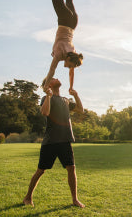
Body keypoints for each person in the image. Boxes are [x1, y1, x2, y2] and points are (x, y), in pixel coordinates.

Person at [23, 78, 85, 208]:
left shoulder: (65, 100)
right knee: (41, 171)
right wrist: (48, 96)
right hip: (51, 141)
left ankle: (75, 199)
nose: (56, 78)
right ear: (49, 84)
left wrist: (76, 95)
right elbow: (45, 112)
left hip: (65, 140)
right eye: (53, 78)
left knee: (71, 168)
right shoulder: (46, 98)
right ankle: (28, 197)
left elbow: (80, 110)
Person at [32, 0, 83, 92]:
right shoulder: (60, 55)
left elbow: (72, 72)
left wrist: (71, 87)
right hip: (65, 21)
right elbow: (52, 70)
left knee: (69, 1)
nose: (66, 67)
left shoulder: (73, 53)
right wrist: (45, 86)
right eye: (68, 65)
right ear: (68, 60)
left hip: (73, 24)